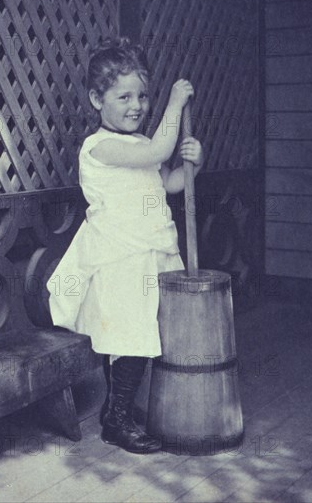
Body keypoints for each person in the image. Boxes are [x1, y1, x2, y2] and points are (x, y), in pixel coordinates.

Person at [47, 37, 203, 454]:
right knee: (129, 333)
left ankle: (117, 409)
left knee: (141, 332)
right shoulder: (100, 146)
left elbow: (167, 183)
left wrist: (193, 165)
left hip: (149, 250)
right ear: (97, 99)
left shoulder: (139, 147)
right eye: (124, 96)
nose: (137, 105)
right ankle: (116, 419)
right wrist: (173, 103)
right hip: (120, 256)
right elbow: (158, 148)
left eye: (143, 96)